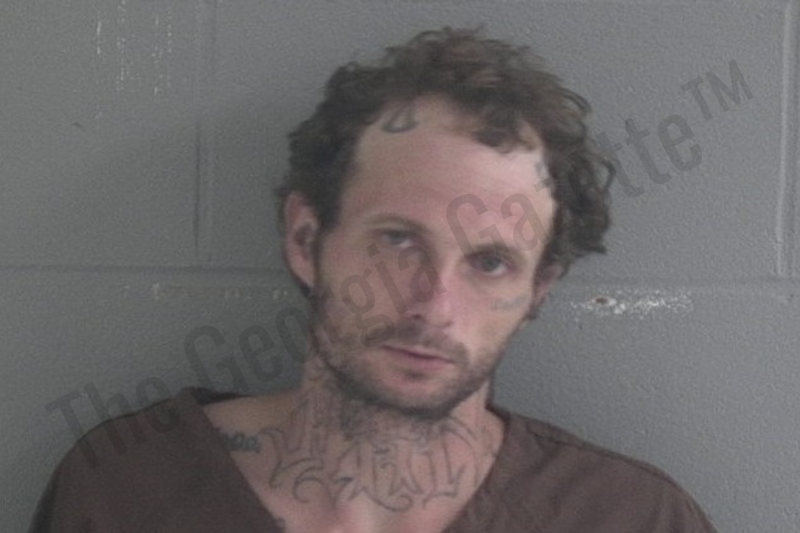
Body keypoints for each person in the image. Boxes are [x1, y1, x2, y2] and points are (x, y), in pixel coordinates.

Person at [30, 27, 718, 532]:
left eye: (490, 262)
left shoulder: (629, 517)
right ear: (307, 241)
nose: (434, 305)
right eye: (397, 240)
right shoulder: (126, 490)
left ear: (537, 289)